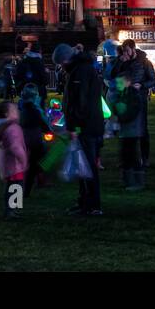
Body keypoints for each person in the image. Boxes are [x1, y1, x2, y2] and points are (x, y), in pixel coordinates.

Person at [54, 42, 105, 216]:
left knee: (87, 166)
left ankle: (92, 204)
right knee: (83, 165)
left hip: (86, 126)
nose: (61, 67)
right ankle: (85, 201)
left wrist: (74, 126)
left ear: (67, 60)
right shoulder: (80, 70)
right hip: (87, 124)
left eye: (61, 63)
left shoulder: (80, 72)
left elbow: (80, 103)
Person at [109, 39, 155, 191]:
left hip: (139, 98)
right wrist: (119, 62)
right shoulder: (123, 61)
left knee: (142, 130)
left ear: (133, 49)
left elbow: (152, 80)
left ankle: (143, 159)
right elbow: (114, 76)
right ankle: (129, 170)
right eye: (124, 50)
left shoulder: (144, 62)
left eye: (127, 50)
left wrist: (141, 85)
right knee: (129, 136)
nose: (126, 53)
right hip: (126, 98)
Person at [0, 101, 28, 219]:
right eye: (15, 111)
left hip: (7, 164)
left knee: (12, 186)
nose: (18, 112)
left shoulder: (1, 126)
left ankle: (12, 209)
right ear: (6, 114)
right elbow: (15, 147)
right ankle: (11, 210)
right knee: (16, 187)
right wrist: (23, 160)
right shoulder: (12, 128)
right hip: (15, 164)